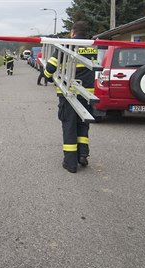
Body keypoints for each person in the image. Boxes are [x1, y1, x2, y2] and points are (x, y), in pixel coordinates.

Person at [44, 21, 97, 173]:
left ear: (73, 33)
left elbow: (50, 67)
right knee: (82, 125)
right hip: (87, 93)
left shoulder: (67, 45)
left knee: (69, 126)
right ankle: (83, 155)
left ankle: (70, 163)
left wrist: (47, 77)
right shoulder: (91, 47)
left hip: (69, 93)